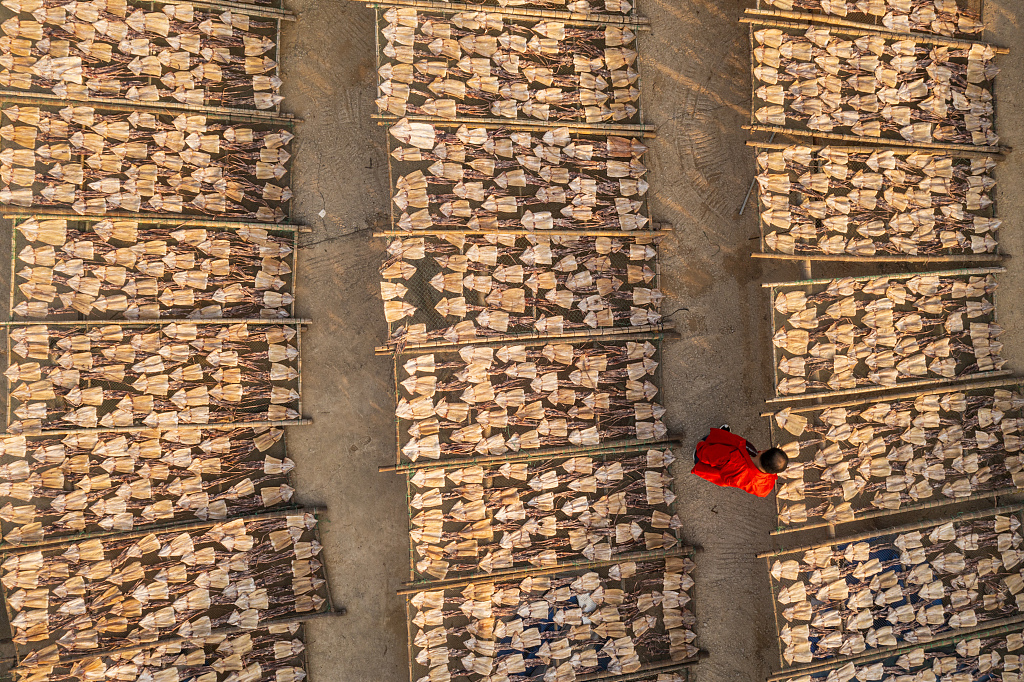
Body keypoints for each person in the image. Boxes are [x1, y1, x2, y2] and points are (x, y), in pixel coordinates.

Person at [691, 425, 788, 497]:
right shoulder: (765, 485)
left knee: (706, 449)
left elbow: (707, 454)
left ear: (764, 451)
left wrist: (701, 445)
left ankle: (697, 454)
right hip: (721, 474)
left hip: (706, 460)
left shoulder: (733, 457)